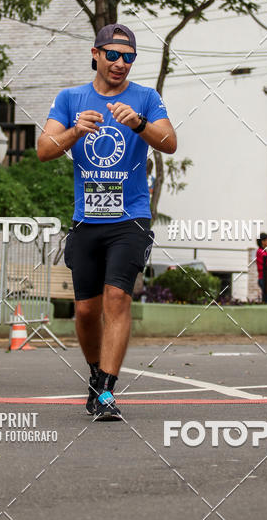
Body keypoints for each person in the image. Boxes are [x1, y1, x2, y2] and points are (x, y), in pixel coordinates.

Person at [37, 23, 177, 421]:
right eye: (113, 55)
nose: (120, 63)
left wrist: (138, 124)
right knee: (85, 310)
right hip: (87, 220)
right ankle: (97, 376)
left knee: (117, 299)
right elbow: (44, 150)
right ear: (95, 54)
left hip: (130, 217)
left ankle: (106, 392)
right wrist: (74, 131)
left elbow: (169, 142)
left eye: (129, 57)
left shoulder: (146, 98)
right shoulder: (70, 98)